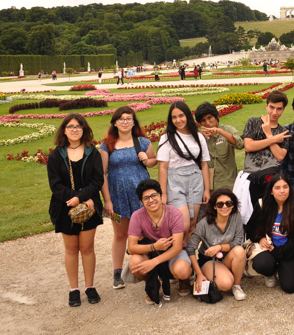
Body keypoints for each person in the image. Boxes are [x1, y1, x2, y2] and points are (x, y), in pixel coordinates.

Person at [47, 113, 104, 307]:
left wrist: (81, 198)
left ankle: (89, 286)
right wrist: (73, 198)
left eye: (78, 126)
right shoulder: (56, 155)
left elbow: (98, 180)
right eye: (70, 126)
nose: (74, 130)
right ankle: (74, 289)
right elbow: (55, 184)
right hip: (65, 207)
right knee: (71, 249)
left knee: (87, 248)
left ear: (84, 129)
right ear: (64, 130)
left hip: (89, 206)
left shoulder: (92, 152)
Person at [98, 106, 158, 291]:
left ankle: (150, 267)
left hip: (141, 194)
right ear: (115, 123)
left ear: (134, 122)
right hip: (117, 194)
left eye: (128, 118)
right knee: (120, 234)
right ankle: (117, 272)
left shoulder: (142, 142)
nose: (125, 122)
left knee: (145, 231)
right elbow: (102, 174)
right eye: (121, 119)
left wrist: (146, 160)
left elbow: (153, 161)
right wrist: (107, 200)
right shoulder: (106, 145)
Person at [126, 179, 193, 304]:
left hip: (173, 251)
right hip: (152, 250)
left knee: (182, 270)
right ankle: (153, 282)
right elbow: (131, 247)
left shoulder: (175, 213)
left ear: (161, 195)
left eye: (154, 195)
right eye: (146, 198)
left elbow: (177, 247)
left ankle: (183, 279)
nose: (151, 200)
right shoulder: (137, 216)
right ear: (141, 202)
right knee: (134, 264)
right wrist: (154, 247)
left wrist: (154, 262)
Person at [157, 101, 211, 240]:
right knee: (182, 224)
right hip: (175, 181)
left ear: (187, 116)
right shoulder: (166, 138)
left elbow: (204, 164)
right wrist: (163, 193)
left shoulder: (198, 136)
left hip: (196, 180)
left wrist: (207, 189)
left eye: (181, 116)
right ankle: (176, 251)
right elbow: (162, 167)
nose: (178, 120)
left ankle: (186, 252)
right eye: (174, 117)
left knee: (192, 223)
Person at [186, 189, 247, 301]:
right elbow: (190, 248)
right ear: (214, 206)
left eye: (228, 203)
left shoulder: (236, 216)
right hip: (209, 260)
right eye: (220, 204)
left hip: (228, 257)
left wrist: (219, 247)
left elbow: (238, 241)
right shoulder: (204, 223)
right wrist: (198, 274)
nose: (225, 207)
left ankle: (237, 286)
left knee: (239, 250)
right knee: (226, 284)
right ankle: (210, 275)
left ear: (233, 205)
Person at [250, 175, 294, 293]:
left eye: (285, 187)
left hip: (289, 250)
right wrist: (260, 238)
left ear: (289, 188)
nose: (282, 191)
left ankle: (285, 269)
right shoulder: (262, 204)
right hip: (268, 248)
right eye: (277, 188)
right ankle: (270, 273)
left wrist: (276, 251)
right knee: (262, 264)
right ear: (271, 191)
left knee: (290, 287)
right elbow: (251, 228)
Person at [243, 91, 291, 221]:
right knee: (250, 217)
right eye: (271, 107)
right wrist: (273, 139)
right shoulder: (253, 122)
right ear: (266, 106)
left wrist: (269, 134)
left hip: (271, 179)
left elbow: (280, 156)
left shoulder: (283, 131)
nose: (274, 112)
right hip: (251, 177)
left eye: (279, 109)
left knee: (270, 216)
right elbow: (249, 146)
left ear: (283, 109)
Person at [195, 102, 244, 192]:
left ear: (216, 116)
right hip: (208, 188)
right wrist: (196, 133)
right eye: (203, 120)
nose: (207, 123)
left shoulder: (228, 130)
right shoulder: (201, 136)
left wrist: (221, 132)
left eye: (209, 118)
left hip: (228, 185)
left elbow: (240, 144)